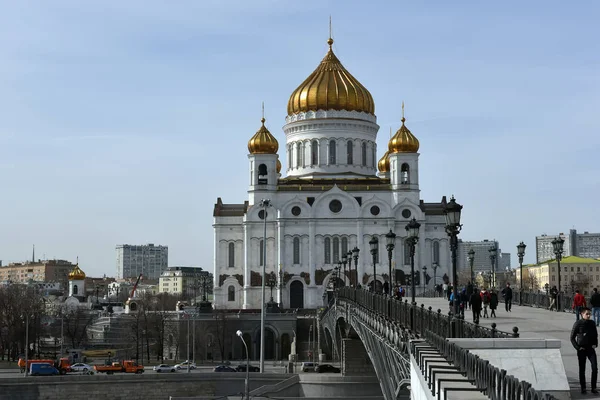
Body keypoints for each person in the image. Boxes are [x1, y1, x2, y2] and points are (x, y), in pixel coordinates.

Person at [570, 307, 599, 394]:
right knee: (582, 369)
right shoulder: (578, 324)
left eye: (589, 314)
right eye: (587, 314)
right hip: (582, 349)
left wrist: (595, 344)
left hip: (590, 348)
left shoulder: (592, 323)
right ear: (582, 314)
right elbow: (572, 338)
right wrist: (578, 348)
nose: (589, 315)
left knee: (594, 368)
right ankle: (583, 388)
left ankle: (593, 387)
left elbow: (595, 335)